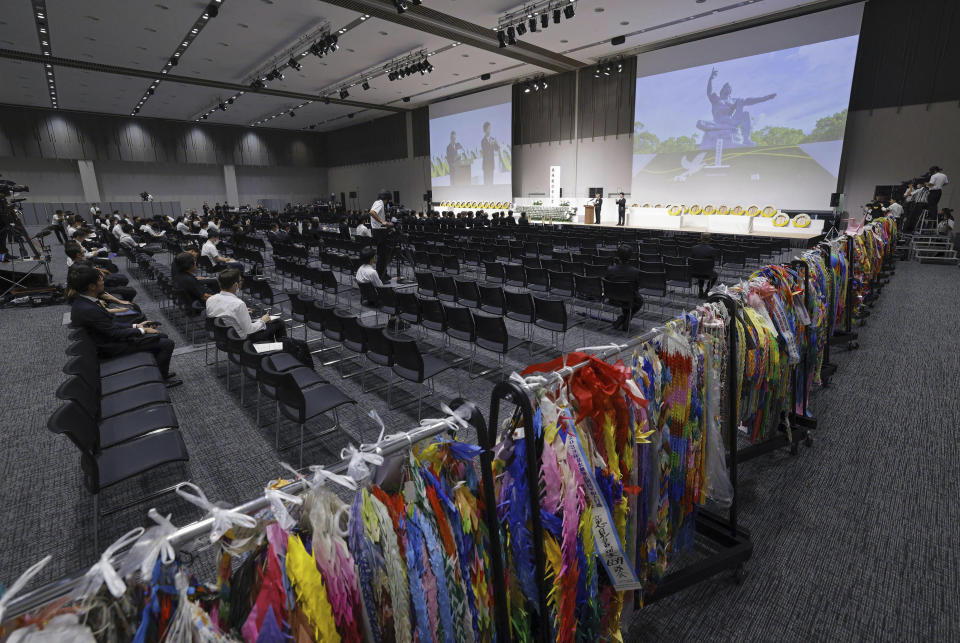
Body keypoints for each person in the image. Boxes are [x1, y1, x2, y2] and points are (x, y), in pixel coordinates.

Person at [68, 264, 180, 387]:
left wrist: (136, 326)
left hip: (106, 340)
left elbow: (109, 325)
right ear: (92, 286)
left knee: (160, 336)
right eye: (100, 280)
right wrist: (143, 331)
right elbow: (114, 333)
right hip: (108, 347)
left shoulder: (84, 301)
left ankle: (159, 372)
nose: (103, 281)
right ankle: (161, 380)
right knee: (167, 343)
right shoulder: (88, 308)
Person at [703, 67, 776, 148]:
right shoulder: (716, 98)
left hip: (731, 121)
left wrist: (765, 98)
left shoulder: (733, 101)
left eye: (729, 88)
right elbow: (709, 92)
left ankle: (746, 138)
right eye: (725, 87)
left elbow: (748, 101)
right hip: (719, 121)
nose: (727, 88)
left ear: (730, 91)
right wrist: (711, 79)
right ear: (722, 89)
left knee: (745, 113)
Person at [206, 268, 286, 341]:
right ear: (235, 285)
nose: (242, 283)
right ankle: (283, 349)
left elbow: (223, 312)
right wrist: (263, 321)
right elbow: (249, 330)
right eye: (240, 281)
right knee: (278, 322)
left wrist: (241, 313)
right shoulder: (238, 304)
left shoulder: (210, 299)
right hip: (241, 339)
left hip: (223, 336)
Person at [604, 244, 643, 330]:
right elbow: (636, 288)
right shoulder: (635, 272)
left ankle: (623, 318)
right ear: (630, 257)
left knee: (627, 296)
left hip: (612, 298)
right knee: (639, 300)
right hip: (628, 299)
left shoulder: (610, 269)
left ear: (618, 256)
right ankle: (625, 318)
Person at [369, 191, 394, 281]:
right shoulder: (379, 203)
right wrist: (382, 221)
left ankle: (382, 274)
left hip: (378, 231)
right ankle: (381, 275)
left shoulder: (377, 202)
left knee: (382, 255)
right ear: (386, 198)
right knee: (383, 255)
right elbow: (372, 212)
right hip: (379, 232)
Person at [480, 121, 500, 185]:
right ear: (485, 130)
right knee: (486, 183)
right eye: (488, 128)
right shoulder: (483, 141)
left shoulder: (492, 139)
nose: (490, 130)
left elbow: (496, 149)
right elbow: (485, 151)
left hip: (491, 164)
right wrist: (490, 144)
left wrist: (497, 144)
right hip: (485, 165)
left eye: (490, 128)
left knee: (491, 183)